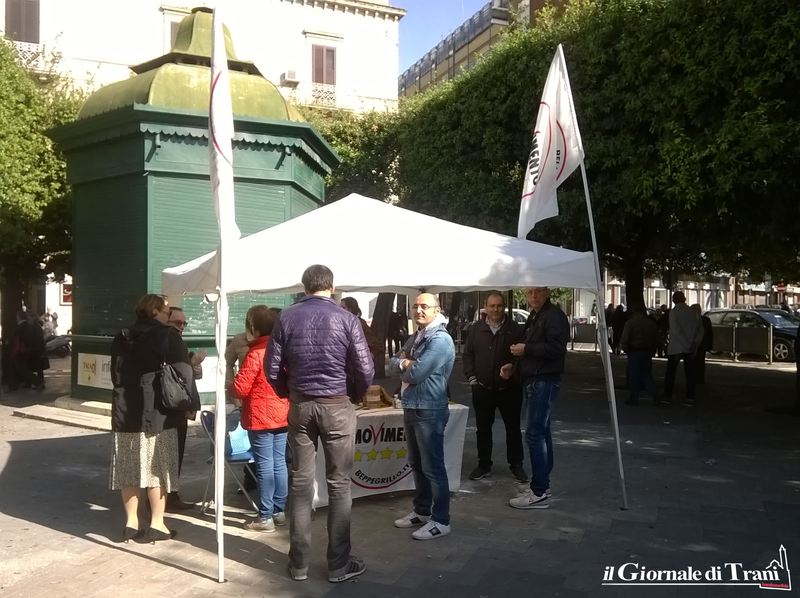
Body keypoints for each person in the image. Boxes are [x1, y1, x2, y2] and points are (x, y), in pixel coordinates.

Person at [266, 264, 374, 583]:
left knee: (301, 484)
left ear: (304, 287)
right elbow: (365, 368)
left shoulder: (287, 317)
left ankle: (298, 564)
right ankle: (338, 565)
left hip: (301, 405)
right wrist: (355, 394)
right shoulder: (346, 318)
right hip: (336, 404)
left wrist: (289, 392)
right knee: (339, 484)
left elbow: (272, 368)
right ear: (332, 287)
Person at [110, 294, 192, 543]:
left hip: (125, 410)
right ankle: (157, 524)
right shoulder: (167, 335)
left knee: (129, 468)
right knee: (158, 468)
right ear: (155, 311)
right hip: (158, 411)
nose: (169, 316)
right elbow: (184, 371)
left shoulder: (122, 335)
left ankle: (131, 523)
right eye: (166, 312)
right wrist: (189, 403)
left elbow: (115, 373)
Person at [390, 292, 455, 539]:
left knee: (433, 467)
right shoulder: (418, 335)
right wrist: (404, 363)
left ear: (437, 310)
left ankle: (441, 520)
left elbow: (416, 373)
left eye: (424, 306)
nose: (418, 310)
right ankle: (422, 510)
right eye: (415, 306)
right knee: (417, 464)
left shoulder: (440, 340)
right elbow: (391, 363)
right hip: (412, 405)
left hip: (429, 409)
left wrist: (406, 363)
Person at [506, 287, 569, 510]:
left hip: (544, 380)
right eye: (529, 292)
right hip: (536, 379)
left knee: (535, 434)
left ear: (547, 292)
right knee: (541, 432)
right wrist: (514, 367)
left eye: (538, 291)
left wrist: (526, 349)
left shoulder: (553, 316)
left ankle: (539, 490)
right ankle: (543, 485)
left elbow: (557, 348)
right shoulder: (537, 315)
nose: (533, 296)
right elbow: (533, 349)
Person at [233, 305, 289, 533]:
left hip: (260, 417)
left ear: (254, 328)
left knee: (264, 464)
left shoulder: (255, 353)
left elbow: (240, 388)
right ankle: (279, 511)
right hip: (282, 414)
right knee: (279, 462)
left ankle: (265, 516)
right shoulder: (283, 350)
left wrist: (230, 385)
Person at [462, 291, 526, 482]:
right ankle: (483, 465)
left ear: (504, 307)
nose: (495, 309)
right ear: (485, 307)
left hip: (509, 389)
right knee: (482, 429)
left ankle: (516, 465)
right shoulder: (476, 329)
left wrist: (513, 368)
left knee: (513, 429)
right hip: (482, 389)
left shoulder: (515, 329)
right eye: (492, 306)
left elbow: (524, 358)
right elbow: (468, 355)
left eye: (499, 306)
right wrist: (471, 378)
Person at [164, 307, 204, 511]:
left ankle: (170, 495)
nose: (181, 327)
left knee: (174, 453)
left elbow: (191, 374)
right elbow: (181, 374)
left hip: (176, 405)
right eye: (177, 323)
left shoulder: (175, 339)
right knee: (170, 453)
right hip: (172, 405)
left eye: (183, 323)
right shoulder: (169, 339)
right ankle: (167, 497)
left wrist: (194, 364)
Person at [662, 291, 703, 407]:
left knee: (671, 372)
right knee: (690, 373)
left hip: (676, 346)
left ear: (674, 300)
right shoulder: (693, 312)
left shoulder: (674, 312)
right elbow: (700, 330)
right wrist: (694, 344)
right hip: (690, 347)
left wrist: (685, 344)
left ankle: (667, 396)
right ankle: (690, 397)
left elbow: (675, 330)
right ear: (684, 299)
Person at [620, 307, 658, 405]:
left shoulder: (630, 323)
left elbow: (625, 337)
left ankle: (634, 397)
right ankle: (655, 393)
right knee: (646, 374)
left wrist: (625, 347)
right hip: (647, 351)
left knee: (634, 375)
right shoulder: (651, 323)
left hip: (634, 350)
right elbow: (655, 338)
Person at [341, 297, 382, 367]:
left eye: (343, 307)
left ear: (351, 309)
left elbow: (377, 345)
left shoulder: (360, 323)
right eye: (339, 307)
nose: (340, 310)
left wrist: (367, 358)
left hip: (356, 367)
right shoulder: (340, 323)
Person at [691, 304, 713, 385]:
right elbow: (710, 333)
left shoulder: (692, 320)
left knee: (696, 363)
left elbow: (709, 333)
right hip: (701, 345)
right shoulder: (706, 320)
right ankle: (700, 379)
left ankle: (696, 379)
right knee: (700, 363)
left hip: (698, 345)